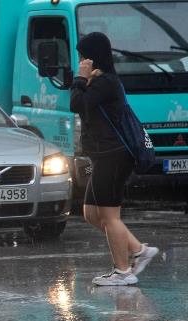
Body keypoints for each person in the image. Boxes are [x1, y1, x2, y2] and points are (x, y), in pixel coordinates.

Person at [70, 32, 159, 286]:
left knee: (110, 216)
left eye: (81, 56)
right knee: (90, 213)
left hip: (114, 156)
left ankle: (123, 272)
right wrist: (84, 79)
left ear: (91, 57)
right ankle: (139, 250)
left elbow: (77, 104)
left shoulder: (105, 83)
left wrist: (80, 78)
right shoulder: (99, 81)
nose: (79, 60)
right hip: (103, 156)